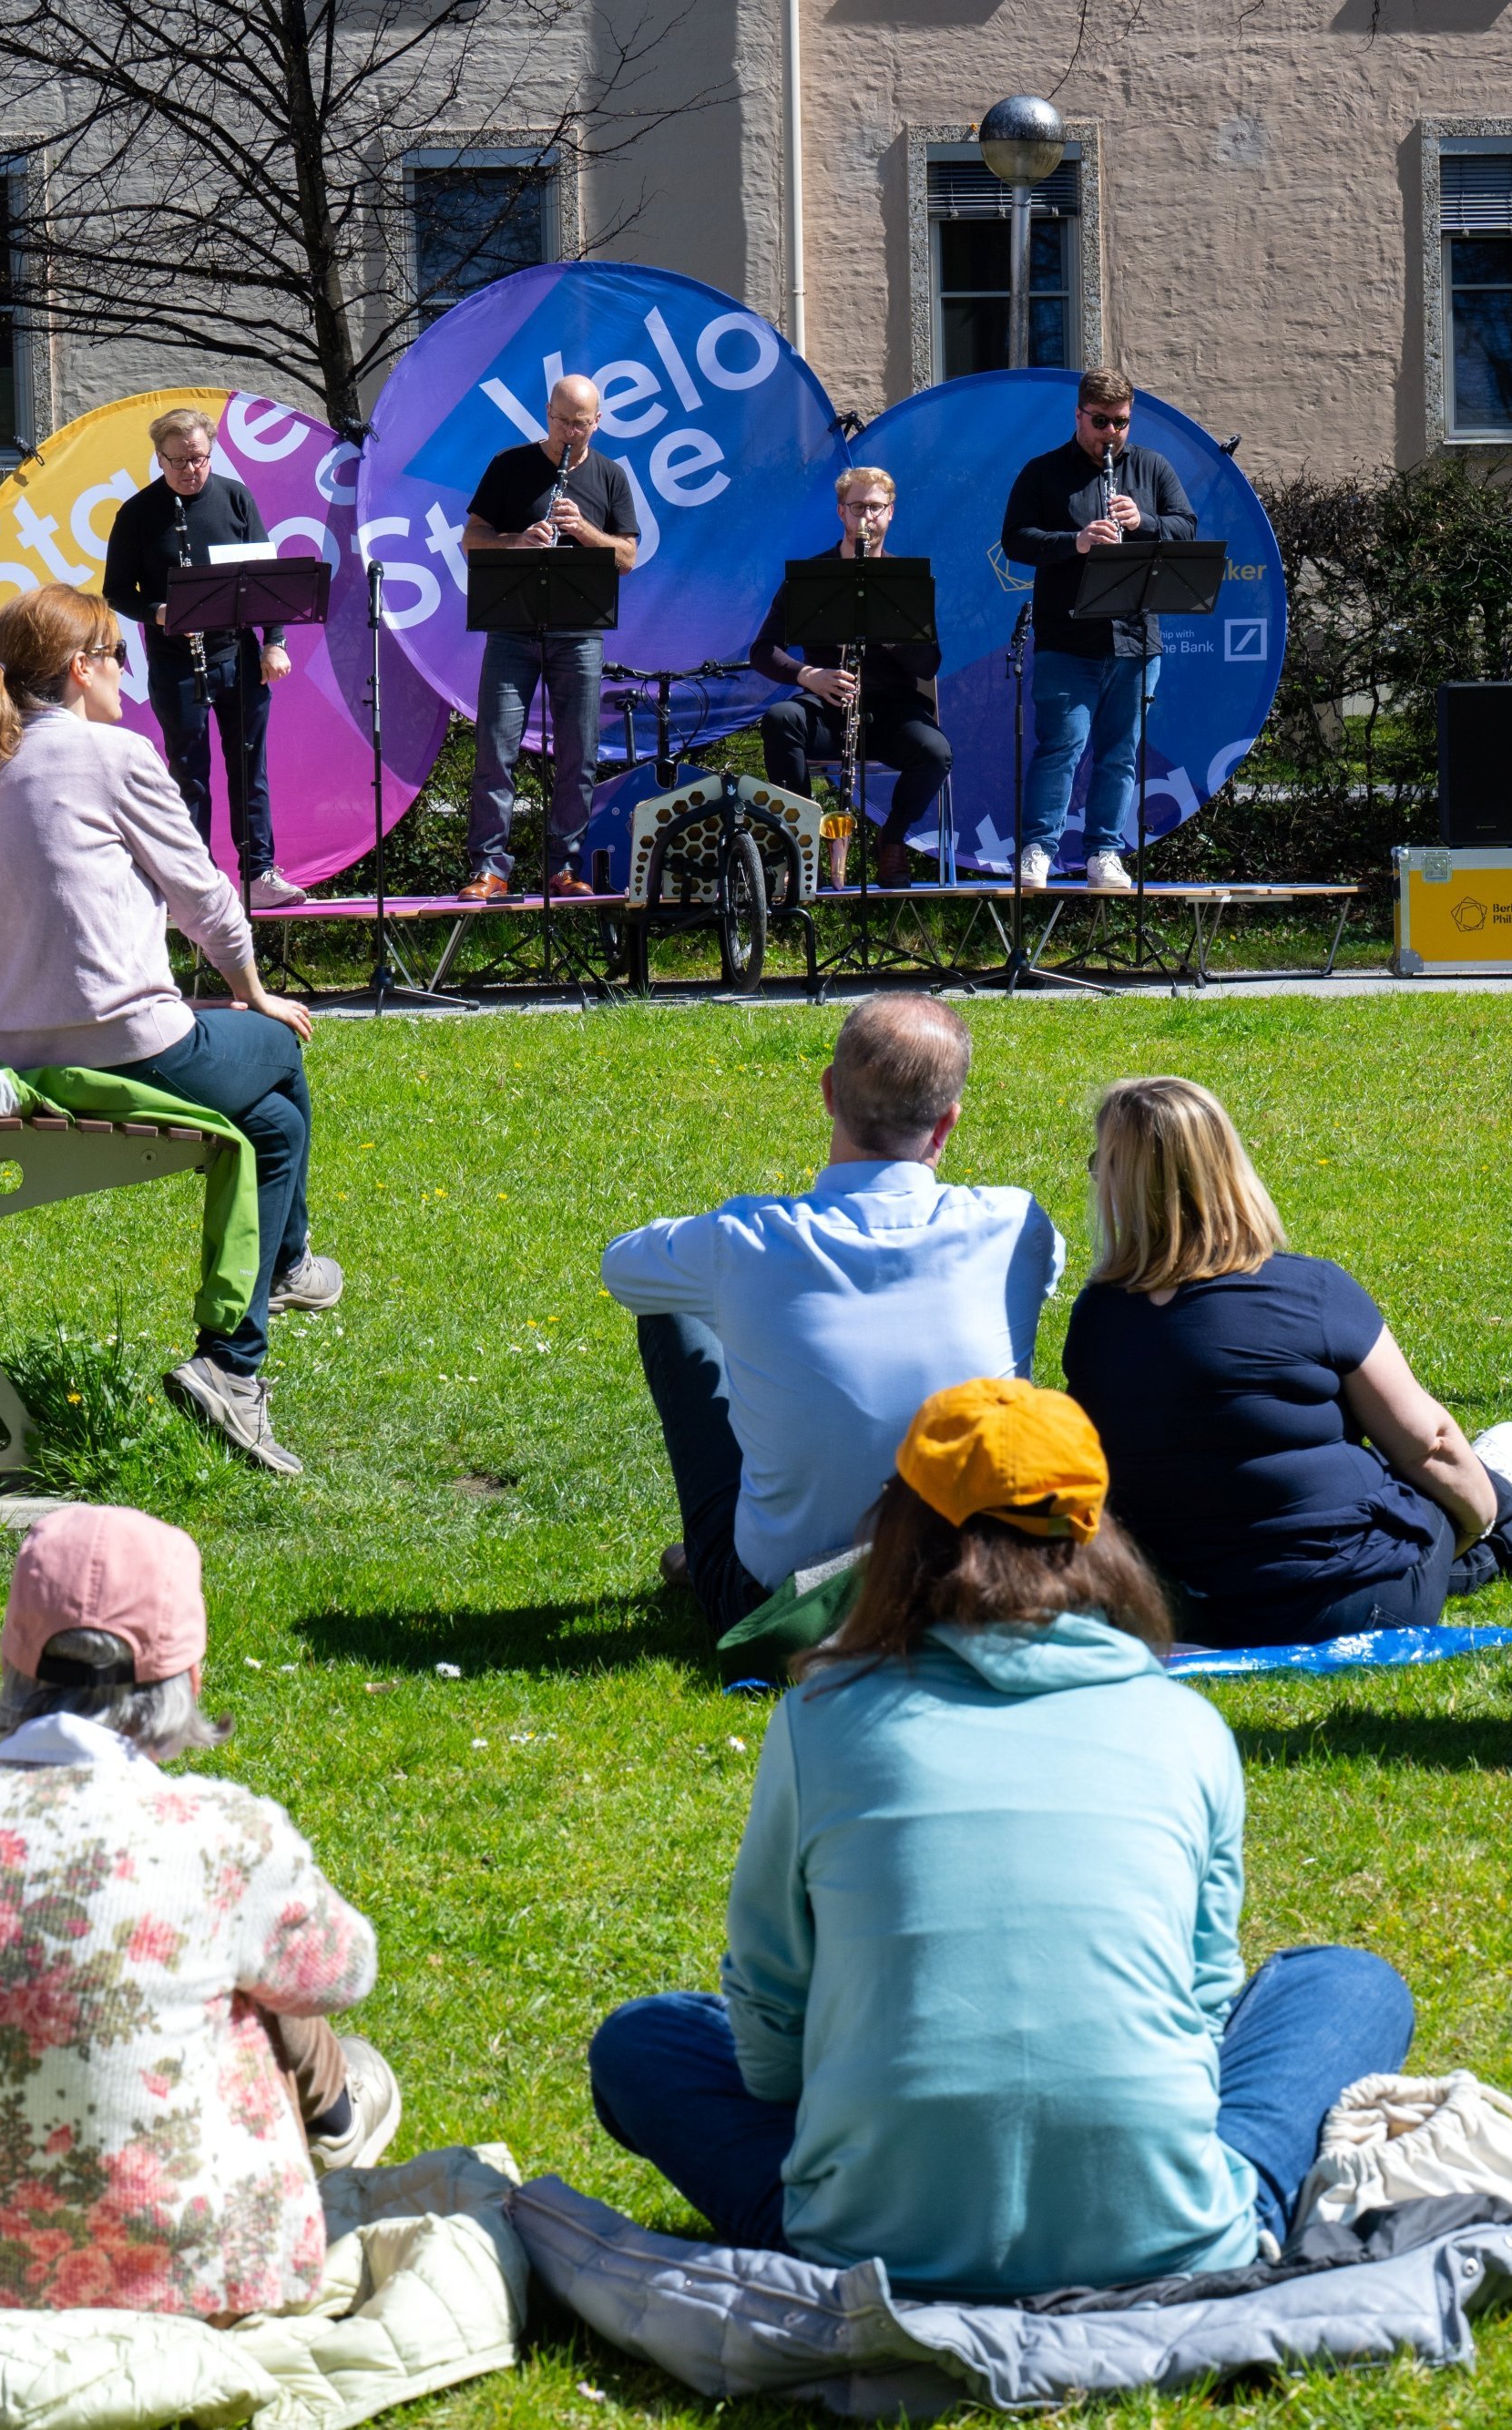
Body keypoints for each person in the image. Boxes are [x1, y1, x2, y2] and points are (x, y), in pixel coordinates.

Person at [585, 1378, 1418, 2296]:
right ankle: (1202, 2210)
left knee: (647, 2042)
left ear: (900, 1526)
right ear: (1094, 1534)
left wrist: (847, 2111)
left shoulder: (821, 1718)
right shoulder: (1183, 1727)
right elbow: (1204, 1996)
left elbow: (772, 2003)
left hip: (866, 2243)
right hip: (1166, 2236)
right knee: (1346, 1986)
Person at [0, 1505, 393, 2316]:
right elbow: (345, 1971)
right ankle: (338, 2114)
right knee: (251, 1972)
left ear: (13, 1664)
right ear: (188, 1678)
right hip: (201, 2273)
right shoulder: (227, 1836)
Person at [0, 582, 339, 1478]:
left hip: (21, 1045)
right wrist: (254, 993)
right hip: (126, 1047)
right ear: (82, 667)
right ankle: (273, 1292)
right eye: (116, 655)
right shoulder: (111, 753)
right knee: (279, 1051)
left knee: (272, 1128)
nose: (125, 672)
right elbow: (203, 894)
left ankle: (234, 1362)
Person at [1060, 1078, 1512, 1647]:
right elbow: (1428, 1443)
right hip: (1350, 1602)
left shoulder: (1097, 1319)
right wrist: (1484, 1519)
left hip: (1191, 1605)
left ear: (1119, 1184)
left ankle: (1501, 1482)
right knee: (1429, 1492)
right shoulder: (1309, 1291)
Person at [599, 994, 1061, 1636]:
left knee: (670, 1310)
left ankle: (719, 1554)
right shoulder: (1016, 1224)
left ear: (827, 1092)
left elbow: (621, 1265)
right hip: (971, 1581)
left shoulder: (744, 1239)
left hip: (783, 1606)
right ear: (947, 1122)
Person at [97, 406, 303, 914]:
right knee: (189, 772)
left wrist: (275, 641)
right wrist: (160, 610)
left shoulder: (235, 497)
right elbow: (117, 591)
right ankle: (195, 880)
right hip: (175, 662)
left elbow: (265, 578)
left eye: (200, 458)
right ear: (159, 459)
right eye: (179, 462)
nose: (191, 470)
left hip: (239, 654)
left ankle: (259, 873)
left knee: (249, 766)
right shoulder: (138, 513)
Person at [1001, 368, 1198, 894]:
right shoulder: (1043, 472)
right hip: (1069, 637)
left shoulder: (1152, 468)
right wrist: (1076, 542)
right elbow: (1016, 540)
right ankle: (1038, 849)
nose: (1111, 434)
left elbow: (1186, 527)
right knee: (1062, 745)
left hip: (1135, 637)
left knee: (1121, 752)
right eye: (1101, 422)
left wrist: (1144, 522)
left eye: (1122, 423)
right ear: (1079, 415)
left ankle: (1104, 852)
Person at [459, 374, 640, 903]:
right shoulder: (509, 466)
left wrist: (583, 529)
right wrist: (517, 541)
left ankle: (564, 866)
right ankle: (491, 868)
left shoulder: (610, 476)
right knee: (496, 747)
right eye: (561, 421)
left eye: (581, 424)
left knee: (578, 754)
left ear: (597, 422)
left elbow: (627, 557)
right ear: (547, 414)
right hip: (513, 630)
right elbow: (471, 540)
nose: (570, 433)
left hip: (579, 632)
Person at [750, 466, 951, 888]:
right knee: (780, 719)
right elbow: (762, 651)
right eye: (858, 507)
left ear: (891, 513)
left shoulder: (905, 581)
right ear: (842, 511)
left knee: (935, 751)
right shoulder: (811, 577)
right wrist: (809, 675)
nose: (867, 518)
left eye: (876, 508)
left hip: (891, 714)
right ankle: (802, 841)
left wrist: (892, 631)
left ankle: (892, 840)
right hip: (829, 708)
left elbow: (928, 664)